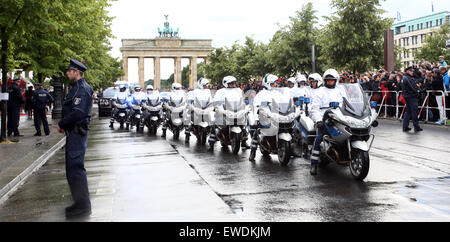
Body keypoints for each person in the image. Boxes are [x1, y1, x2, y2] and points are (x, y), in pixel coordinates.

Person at [57, 59, 93, 218]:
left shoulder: (81, 89)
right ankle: (80, 203)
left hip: (77, 132)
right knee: (72, 170)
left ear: (76, 72)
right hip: (74, 132)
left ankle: (83, 206)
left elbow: (78, 112)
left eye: (68, 71)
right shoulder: (77, 88)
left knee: (76, 169)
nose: (67, 73)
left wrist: (62, 123)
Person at [309, 69, 346, 175]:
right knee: (319, 137)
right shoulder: (320, 92)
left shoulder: (340, 91)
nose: (330, 82)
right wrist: (318, 120)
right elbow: (314, 108)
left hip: (339, 119)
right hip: (324, 119)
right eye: (328, 80)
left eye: (332, 80)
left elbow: (347, 104)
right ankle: (314, 163)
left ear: (335, 81)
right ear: (325, 81)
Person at [209, 76, 250, 150]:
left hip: (237, 110)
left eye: (234, 83)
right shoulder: (220, 91)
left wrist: (246, 104)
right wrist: (217, 107)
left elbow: (243, 100)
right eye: (231, 83)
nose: (233, 84)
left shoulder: (238, 90)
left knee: (246, 121)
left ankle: (244, 141)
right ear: (226, 84)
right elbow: (216, 101)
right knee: (214, 121)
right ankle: (211, 143)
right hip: (225, 110)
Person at [249, 74, 284, 161]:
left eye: (275, 83)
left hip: (277, 115)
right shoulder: (261, 94)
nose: (275, 85)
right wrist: (258, 114)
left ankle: (290, 148)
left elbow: (284, 103)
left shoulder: (278, 93)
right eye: (273, 83)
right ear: (267, 84)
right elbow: (256, 105)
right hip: (265, 116)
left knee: (288, 128)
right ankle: (252, 151)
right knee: (257, 131)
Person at [401, 66, 423, 132]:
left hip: (408, 96)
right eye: (411, 71)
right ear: (408, 71)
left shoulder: (405, 78)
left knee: (408, 112)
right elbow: (413, 87)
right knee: (414, 112)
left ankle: (405, 127)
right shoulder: (408, 78)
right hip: (411, 97)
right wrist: (418, 90)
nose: (412, 72)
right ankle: (416, 127)